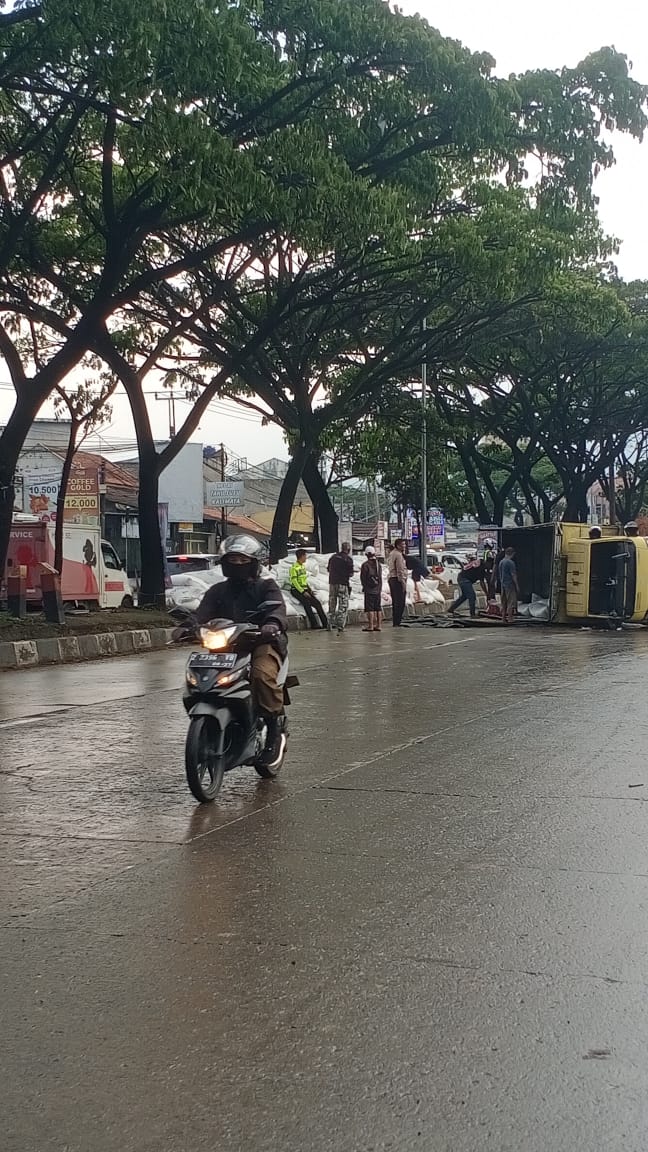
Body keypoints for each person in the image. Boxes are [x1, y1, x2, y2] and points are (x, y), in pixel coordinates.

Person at [195, 535, 288, 767]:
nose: (236, 564)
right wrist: (187, 627)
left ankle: (274, 731)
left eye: (242, 560)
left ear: (254, 562)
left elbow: (277, 608)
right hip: (225, 646)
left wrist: (272, 624)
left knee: (261, 675)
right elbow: (200, 615)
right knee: (198, 675)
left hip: (261, 643)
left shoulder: (266, 586)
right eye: (232, 559)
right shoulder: (217, 591)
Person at [289, 548, 328, 629]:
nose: (306, 558)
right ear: (301, 556)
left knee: (317, 603)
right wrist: (303, 592)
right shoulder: (294, 567)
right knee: (307, 604)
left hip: (305, 588)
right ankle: (314, 624)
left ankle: (326, 623)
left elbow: (304, 580)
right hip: (296, 590)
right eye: (305, 556)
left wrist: (309, 589)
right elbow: (294, 581)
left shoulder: (302, 567)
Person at [449, 554, 488, 618]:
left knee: (464, 596)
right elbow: (482, 583)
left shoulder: (479, 562)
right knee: (472, 596)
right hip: (465, 579)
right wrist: (486, 593)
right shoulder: (482, 569)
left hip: (461, 577)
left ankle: (451, 609)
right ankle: (472, 614)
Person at [327, 541, 354, 633]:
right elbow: (351, 573)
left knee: (332, 603)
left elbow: (328, 569)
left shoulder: (333, 557)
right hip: (343, 584)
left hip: (332, 583)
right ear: (348, 549)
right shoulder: (348, 559)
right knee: (343, 605)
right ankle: (340, 625)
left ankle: (329, 624)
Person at [360, 546, 383, 631]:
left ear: (366, 554)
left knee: (370, 608)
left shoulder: (365, 565)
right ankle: (379, 625)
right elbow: (380, 577)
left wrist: (364, 586)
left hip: (369, 589)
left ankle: (370, 626)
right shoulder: (378, 564)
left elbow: (363, 578)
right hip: (378, 589)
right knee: (378, 607)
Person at [387, 538, 408, 627]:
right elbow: (400, 570)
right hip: (397, 580)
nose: (405, 546)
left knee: (395, 601)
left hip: (392, 579)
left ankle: (395, 621)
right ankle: (397, 622)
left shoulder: (391, 553)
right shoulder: (398, 555)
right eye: (403, 544)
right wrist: (403, 582)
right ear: (398, 546)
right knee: (400, 602)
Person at [498, 546, 520, 624]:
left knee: (504, 602)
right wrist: (517, 585)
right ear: (512, 554)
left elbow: (500, 574)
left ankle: (503, 618)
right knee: (511, 602)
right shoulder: (511, 563)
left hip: (503, 584)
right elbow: (513, 575)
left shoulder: (501, 562)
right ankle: (510, 618)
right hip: (510, 585)